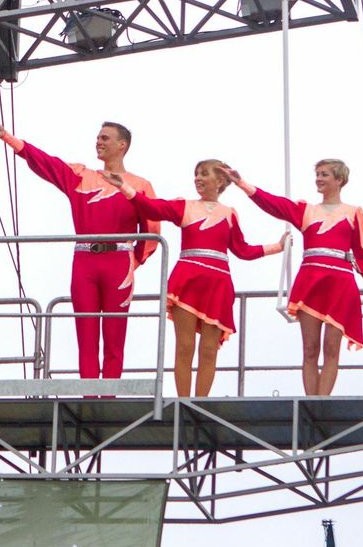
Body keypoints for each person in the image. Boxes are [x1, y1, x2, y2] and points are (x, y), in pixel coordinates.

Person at [0, 119, 160, 381]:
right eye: (98, 137)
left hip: (119, 262)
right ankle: (88, 398)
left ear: (123, 145)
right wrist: (8, 137)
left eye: (105, 138)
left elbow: (152, 228)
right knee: (85, 336)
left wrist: (134, 261)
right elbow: (46, 163)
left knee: (114, 336)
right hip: (84, 260)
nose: (98, 141)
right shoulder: (81, 175)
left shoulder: (140, 185)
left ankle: (108, 400)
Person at [101, 161, 287, 397]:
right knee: (185, 346)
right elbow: (151, 208)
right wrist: (125, 187)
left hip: (218, 284)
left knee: (209, 350)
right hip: (187, 281)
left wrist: (278, 247)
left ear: (219, 181)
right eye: (196, 174)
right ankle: (183, 402)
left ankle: (201, 404)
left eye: (204, 174)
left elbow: (243, 250)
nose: (198, 179)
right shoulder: (184, 206)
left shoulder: (229, 213)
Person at [221, 160, 363, 396]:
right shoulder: (306, 210)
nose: (318, 178)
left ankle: (322, 402)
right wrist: (241, 183)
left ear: (339, 180)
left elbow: (361, 253)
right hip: (311, 280)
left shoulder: (353, 212)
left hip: (340, 283)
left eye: (324, 174)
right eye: (317, 174)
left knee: (331, 348)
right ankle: (311, 402)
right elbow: (274, 204)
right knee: (310, 348)